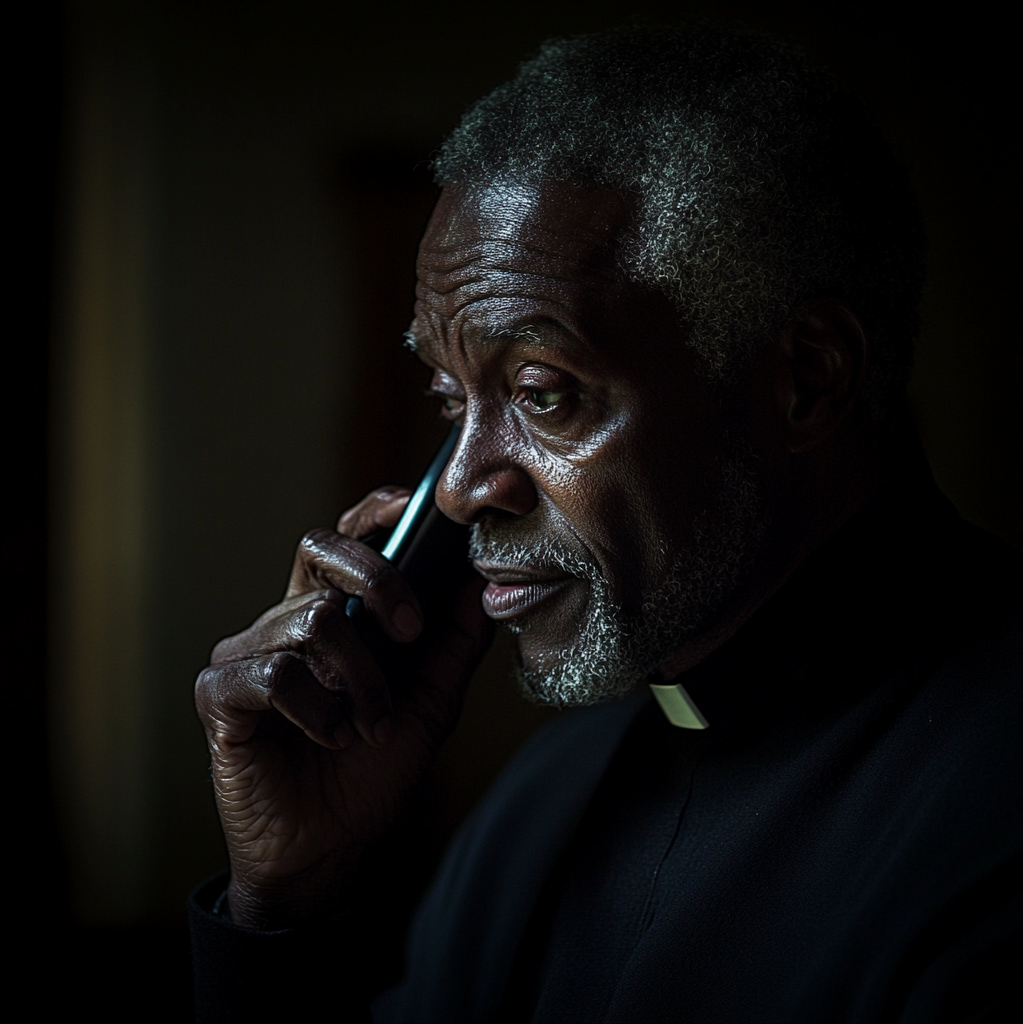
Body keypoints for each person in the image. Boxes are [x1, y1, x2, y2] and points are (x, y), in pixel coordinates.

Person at [189, 25, 1021, 1023]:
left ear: (805, 379)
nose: (457, 491)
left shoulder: (998, 806)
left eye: (541, 393)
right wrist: (287, 903)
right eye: (453, 400)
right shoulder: (544, 802)